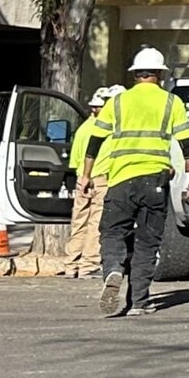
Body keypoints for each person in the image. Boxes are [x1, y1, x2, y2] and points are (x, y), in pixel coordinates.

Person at [78, 49, 189, 317]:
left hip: (120, 180)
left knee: (112, 233)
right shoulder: (172, 102)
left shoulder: (117, 102)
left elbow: (95, 141)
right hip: (155, 181)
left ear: (134, 75)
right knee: (147, 242)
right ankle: (139, 303)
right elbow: (187, 143)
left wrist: (85, 176)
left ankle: (113, 270)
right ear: (160, 75)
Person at [61, 86, 122, 278]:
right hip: (101, 178)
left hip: (83, 179)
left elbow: (75, 160)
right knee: (96, 224)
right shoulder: (110, 130)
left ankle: (71, 265)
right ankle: (89, 265)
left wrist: (82, 178)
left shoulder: (83, 129)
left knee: (79, 223)